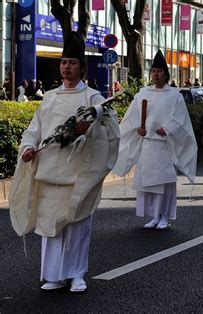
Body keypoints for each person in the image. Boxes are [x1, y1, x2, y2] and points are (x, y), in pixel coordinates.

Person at [9, 32, 120, 292]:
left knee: (77, 223)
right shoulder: (49, 97)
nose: (66, 67)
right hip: (48, 170)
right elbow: (35, 129)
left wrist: (87, 131)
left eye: (72, 62)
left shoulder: (94, 99)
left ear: (82, 67)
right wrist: (28, 147)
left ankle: (76, 273)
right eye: (63, 62)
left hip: (79, 171)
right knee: (50, 224)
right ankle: (54, 275)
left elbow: (110, 131)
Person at [113, 49, 197, 229]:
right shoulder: (142, 94)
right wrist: (139, 129)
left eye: (159, 71)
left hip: (164, 145)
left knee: (164, 183)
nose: (156, 74)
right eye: (153, 71)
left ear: (166, 74)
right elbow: (132, 118)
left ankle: (165, 215)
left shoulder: (175, 96)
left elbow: (180, 119)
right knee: (147, 184)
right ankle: (153, 215)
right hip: (147, 145)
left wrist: (167, 129)